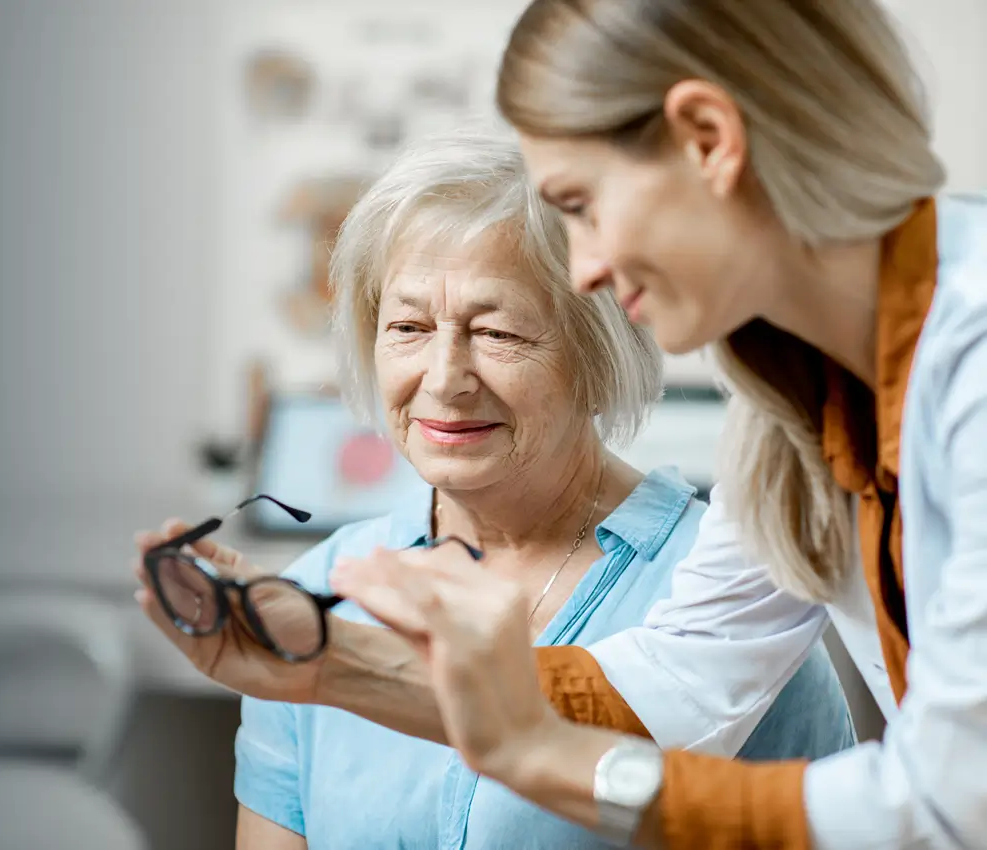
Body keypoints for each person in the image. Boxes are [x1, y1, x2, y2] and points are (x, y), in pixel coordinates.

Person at [327, 1, 987, 847]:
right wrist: (322, 662)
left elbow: (948, 801)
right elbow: (686, 674)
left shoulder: (968, 358)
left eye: (584, 204)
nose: (590, 267)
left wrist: (548, 759)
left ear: (709, 138)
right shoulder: (794, 395)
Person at [132, 130, 854, 850]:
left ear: (597, 356)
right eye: (408, 326)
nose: (444, 378)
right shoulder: (315, 588)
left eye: (498, 334)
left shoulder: (736, 608)